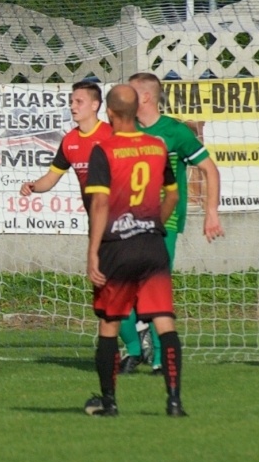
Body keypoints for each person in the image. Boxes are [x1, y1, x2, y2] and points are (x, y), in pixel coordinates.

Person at [19, 80, 145, 374]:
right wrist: (34, 187)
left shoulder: (112, 134)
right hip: (99, 225)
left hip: (125, 220)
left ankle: (138, 347)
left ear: (95, 105)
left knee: (113, 286)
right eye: (71, 101)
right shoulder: (70, 141)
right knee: (110, 287)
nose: (72, 106)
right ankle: (140, 338)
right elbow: (52, 177)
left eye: (78, 101)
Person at [83, 84, 185, 417]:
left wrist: (93, 251)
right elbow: (173, 195)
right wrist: (153, 225)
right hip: (152, 246)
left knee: (109, 324)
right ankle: (174, 401)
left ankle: (109, 402)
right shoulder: (157, 146)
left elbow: (100, 204)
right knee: (164, 321)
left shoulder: (104, 150)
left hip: (117, 248)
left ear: (109, 113)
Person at [128, 72, 224, 372]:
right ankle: (137, 342)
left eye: (130, 92)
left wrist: (211, 212)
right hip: (128, 222)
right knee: (121, 285)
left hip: (164, 222)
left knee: (155, 286)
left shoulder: (175, 131)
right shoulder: (125, 129)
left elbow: (210, 169)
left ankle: (159, 356)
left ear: (145, 97)